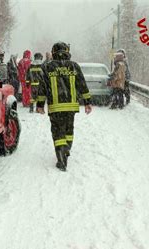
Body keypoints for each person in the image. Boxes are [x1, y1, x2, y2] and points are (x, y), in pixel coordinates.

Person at [35, 42, 93, 171]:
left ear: (53, 52)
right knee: (68, 130)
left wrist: (39, 105)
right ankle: (66, 149)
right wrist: (87, 102)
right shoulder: (74, 66)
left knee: (58, 132)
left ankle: (61, 159)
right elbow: (82, 84)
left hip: (56, 108)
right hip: (71, 107)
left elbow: (42, 88)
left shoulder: (47, 67)